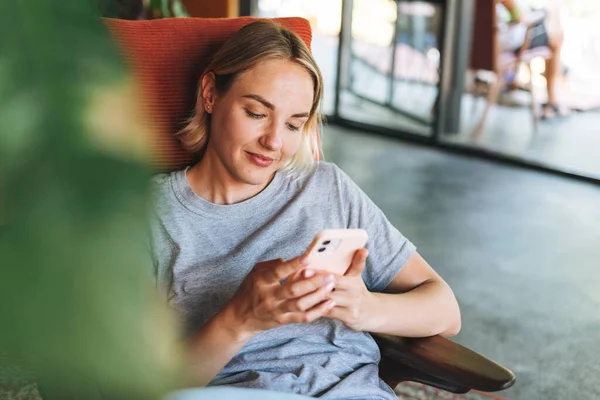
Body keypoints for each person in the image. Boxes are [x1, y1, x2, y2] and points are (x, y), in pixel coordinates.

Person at [149, 20, 461, 400]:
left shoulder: (326, 187)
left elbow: (445, 310)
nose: (274, 142)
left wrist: (363, 308)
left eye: (295, 124)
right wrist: (239, 321)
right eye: (256, 113)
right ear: (211, 94)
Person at [498, 0, 570, 119]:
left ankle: (552, 101)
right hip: (507, 45)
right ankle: (552, 102)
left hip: (486, 46)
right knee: (555, 39)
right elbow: (519, 18)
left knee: (553, 32)